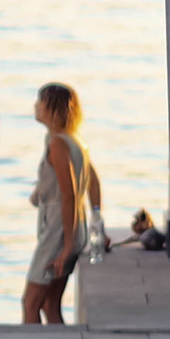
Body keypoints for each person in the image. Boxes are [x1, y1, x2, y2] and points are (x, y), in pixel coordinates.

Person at [22, 82, 101, 325]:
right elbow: (94, 183)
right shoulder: (75, 140)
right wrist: (96, 225)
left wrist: (66, 246)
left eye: (40, 102)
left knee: (30, 303)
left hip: (59, 230)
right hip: (73, 228)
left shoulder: (57, 144)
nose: (36, 106)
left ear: (52, 108)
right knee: (50, 304)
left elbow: (70, 194)